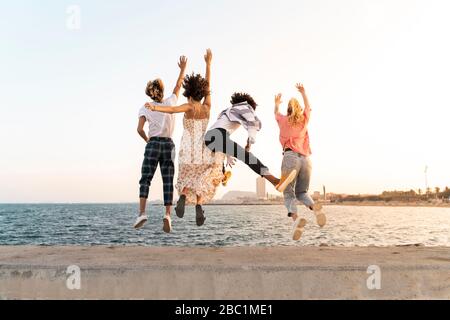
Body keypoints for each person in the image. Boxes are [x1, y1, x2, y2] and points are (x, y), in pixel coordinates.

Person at [146, 49, 228, 226]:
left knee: (186, 176)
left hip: (187, 148)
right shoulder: (207, 107)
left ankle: (183, 195)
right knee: (200, 177)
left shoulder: (188, 106)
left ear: (189, 93)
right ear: (202, 93)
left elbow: (172, 110)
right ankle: (199, 205)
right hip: (202, 148)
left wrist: (155, 108)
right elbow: (208, 87)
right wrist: (208, 64)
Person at [134, 56, 187, 233]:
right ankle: (167, 215)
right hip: (168, 145)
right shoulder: (171, 102)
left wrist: (148, 141)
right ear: (162, 91)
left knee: (145, 179)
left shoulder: (146, 107)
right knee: (168, 180)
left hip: (153, 144)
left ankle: (142, 213)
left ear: (150, 93)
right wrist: (182, 69)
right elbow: (179, 85)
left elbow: (139, 129)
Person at [204, 92, 298, 192]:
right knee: (249, 158)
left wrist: (229, 154)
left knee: (240, 159)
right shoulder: (244, 106)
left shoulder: (228, 111)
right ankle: (275, 181)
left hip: (211, 138)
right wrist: (250, 141)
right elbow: (252, 123)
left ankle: (221, 176)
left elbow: (221, 129)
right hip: (217, 136)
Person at [274, 83, 326, 241]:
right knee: (302, 192)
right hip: (306, 160)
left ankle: (296, 220)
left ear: (288, 110)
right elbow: (308, 107)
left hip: (290, 158)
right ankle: (315, 209)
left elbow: (276, 112)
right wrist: (303, 92)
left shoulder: (283, 120)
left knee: (288, 193)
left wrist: (277, 103)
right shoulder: (304, 120)